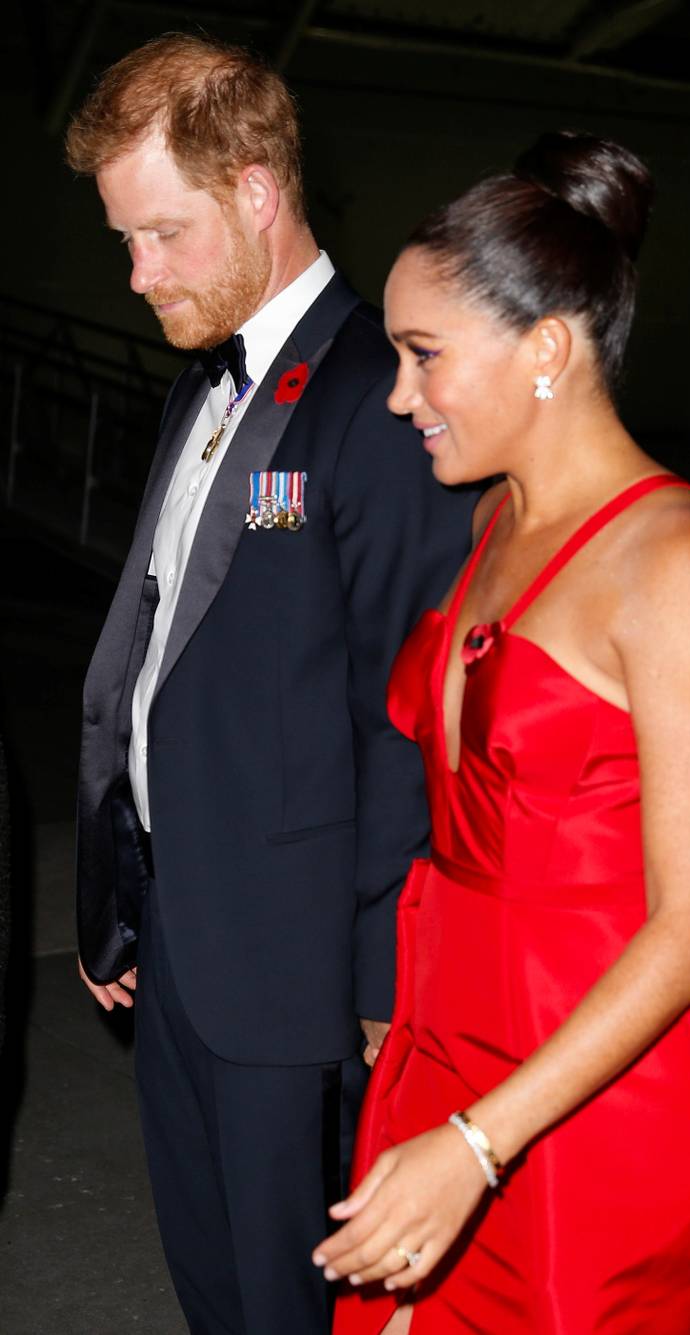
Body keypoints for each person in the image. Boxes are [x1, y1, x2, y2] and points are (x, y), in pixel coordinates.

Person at [318, 132, 690, 1333]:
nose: (396, 396)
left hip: (602, 1088)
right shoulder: (487, 521)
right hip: (451, 1038)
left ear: (546, 349)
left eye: (423, 358)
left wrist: (477, 1147)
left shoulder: (680, 564)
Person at [65, 34, 475, 1335]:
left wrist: (372, 986)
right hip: (178, 934)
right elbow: (165, 641)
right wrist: (113, 881)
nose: (138, 274)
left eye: (162, 235)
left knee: (293, 1300)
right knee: (214, 1282)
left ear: (254, 190)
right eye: (125, 241)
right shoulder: (209, 377)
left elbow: (404, 716)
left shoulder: (379, 399)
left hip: (295, 974)